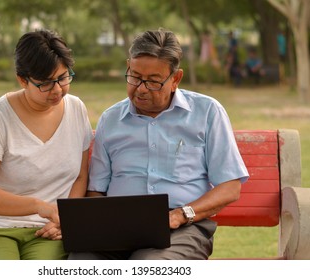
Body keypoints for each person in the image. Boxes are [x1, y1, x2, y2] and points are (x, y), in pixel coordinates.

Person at [69, 28, 249, 260]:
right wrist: (105, 225)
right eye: (134, 77)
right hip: (117, 226)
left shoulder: (207, 112)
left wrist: (180, 215)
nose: (141, 88)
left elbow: (230, 187)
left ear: (175, 79)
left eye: (153, 81)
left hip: (182, 227)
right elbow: (96, 190)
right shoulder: (111, 119)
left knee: (150, 267)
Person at [0, 29, 94, 260]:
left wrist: (66, 221)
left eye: (63, 78)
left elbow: (80, 176)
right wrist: (38, 206)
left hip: (48, 231)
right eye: (46, 84)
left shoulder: (76, 109)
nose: (58, 90)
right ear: (22, 80)